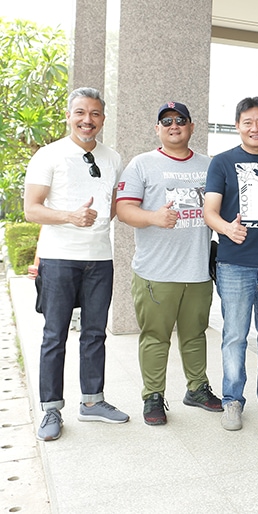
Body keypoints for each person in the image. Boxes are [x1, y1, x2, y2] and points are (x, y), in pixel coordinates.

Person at [24, 87, 129, 441]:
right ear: (69, 116)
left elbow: (113, 202)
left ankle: (92, 402)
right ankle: (51, 410)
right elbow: (31, 209)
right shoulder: (49, 155)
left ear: (103, 118)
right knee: (54, 336)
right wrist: (71, 216)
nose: (88, 120)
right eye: (81, 113)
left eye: (95, 113)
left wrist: (96, 221)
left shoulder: (113, 156)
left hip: (100, 258)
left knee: (95, 334)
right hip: (58, 258)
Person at [116, 101, 223, 425]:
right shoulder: (142, 164)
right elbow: (123, 210)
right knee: (155, 337)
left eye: (180, 120)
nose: (173, 125)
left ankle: (197, 388)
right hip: (155, 272)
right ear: (157, 129)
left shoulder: (211, 165)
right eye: (166, 121)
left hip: (197, 271)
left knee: (195, 335)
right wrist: (153, 217)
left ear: (191, 127)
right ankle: (153, 396)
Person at [204, 97, 258, 431]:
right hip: (235, 264)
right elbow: (209, 211)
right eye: (248, 122)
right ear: (238, 125)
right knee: (235, 336)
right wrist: (227, 228)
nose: (255, 128)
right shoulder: (223, 162)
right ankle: (232, 401)